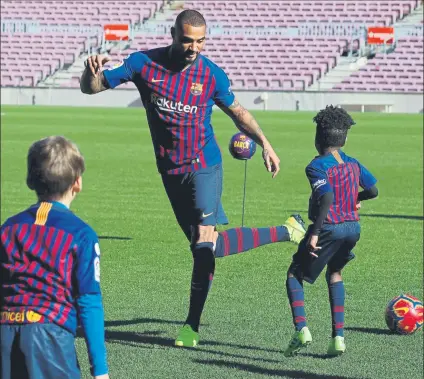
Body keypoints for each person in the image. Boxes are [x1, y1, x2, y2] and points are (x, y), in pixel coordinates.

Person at [80, 9, 306, 347]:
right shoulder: (143, 64)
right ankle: (287, 229)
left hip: (204, 165)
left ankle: (191, 327)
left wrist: (266, 145)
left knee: (202, 246)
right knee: (208, 247)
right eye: (187, 40)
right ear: (173, 34)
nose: (194, 47)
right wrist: (89, 73)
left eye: (200, 41)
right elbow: (93, 88)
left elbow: (238, 112)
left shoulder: (211, 75)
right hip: (170, 171)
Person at [0, 136, 109, 379]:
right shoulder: (81, 234)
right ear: (77, 183)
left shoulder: (8, 228)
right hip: (49, 338)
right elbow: (89, 301)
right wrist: (100, 369)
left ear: (30, 180)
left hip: (5, 333)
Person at [283, 105, 378, 357]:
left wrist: (314, 232)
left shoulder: (316, 166)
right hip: (352, 229)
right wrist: (355, 198)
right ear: (344, 138)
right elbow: (373, 191)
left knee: (294, 274)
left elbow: (325, 197)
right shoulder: (353, 162)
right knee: (334, 272)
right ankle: (338, 338)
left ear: (317, 138)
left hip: (328, 228)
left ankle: (301, 329)